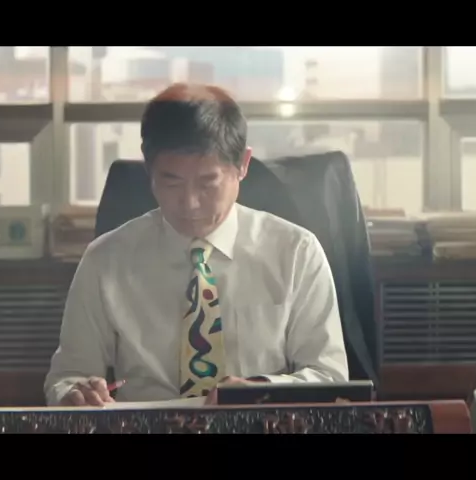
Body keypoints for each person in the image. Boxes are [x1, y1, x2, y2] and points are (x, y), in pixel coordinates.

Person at [44, 83, 348, 407]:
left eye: (207, 183)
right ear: (149, 169)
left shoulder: (296, 252)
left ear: (243, 164)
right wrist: (76, 394)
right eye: (171, 182)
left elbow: (330, 377)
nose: (189, 203)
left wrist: (260, 390)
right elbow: (67, 377)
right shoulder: (106, 260)